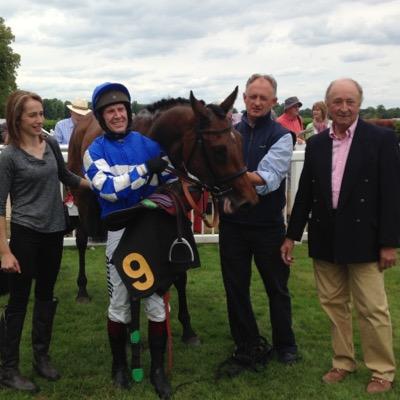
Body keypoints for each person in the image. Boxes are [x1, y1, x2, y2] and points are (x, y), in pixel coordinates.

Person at [281, 78, 400, 394]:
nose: (344, 108)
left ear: (359, 103)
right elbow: (306, 192)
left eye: (350, 101)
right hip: (325, 236)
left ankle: (382, 371)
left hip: (366, 238)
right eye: (337, 101)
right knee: (334, 305)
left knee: (373, 309)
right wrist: (292, 236)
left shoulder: (381, 139)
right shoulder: (317, 143)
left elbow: (392, 194)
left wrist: (389, 242)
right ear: (327, 104)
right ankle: (343, 362)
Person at [83, 82, 173, 398]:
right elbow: (107, 188)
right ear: (102, 116)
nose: (118, 115)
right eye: (111, 111)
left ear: (128, 112)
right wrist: (145, 171)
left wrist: (168, 173)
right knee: (119, 303)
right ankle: (119, 365)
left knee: (155, 304)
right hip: (119, 233)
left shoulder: (149, 144)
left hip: (150, 232)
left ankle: (158, 371)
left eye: (121, 109)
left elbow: (169, 179)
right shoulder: (94, 151)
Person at [0, 90, 90, 393]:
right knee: (18, 301)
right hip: (26, 234)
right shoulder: (9, 156)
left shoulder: (50, 143)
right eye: (33, 115)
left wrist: (101, 187)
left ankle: (41, 357)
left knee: (46, 296)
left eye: (41, 113)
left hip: (54, 233)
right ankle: (9, 369)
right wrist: (4, 251)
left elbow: (66, 176)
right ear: (17, 119)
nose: (40, 120)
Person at [217, 73, 298, 377]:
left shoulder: (281, 136)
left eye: (264, 97)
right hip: (233, 225)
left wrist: (225, 174)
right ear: (245, 99)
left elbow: (267, 180)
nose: (257, 102)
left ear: (274, 101)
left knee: (276, 288)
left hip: (267, 227)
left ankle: (285, 345)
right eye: (253, 96)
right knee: (235, 288)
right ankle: (246, 343)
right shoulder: (231, 132)